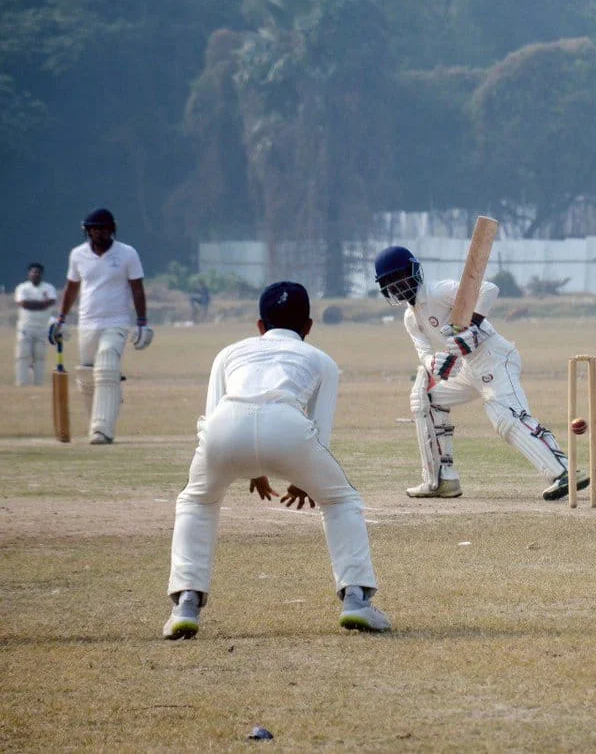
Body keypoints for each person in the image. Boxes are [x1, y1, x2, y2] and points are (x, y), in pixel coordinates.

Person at [163, 281, 391, 639]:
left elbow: (212, 416)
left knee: (197, 501)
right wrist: (302, 477)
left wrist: (248, 466)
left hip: (224, 428)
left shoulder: (228, 352)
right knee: (340, 499)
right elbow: (321, 427)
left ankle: (185, 604)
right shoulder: (320, 359)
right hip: (287, 428)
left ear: (259, 326)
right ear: (308, 327)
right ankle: (356, 600)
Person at [373, 246, 583, 500]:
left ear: (414, 272)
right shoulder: (411, 318)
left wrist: (471, 327)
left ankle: (563, 472)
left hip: (494, 357)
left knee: (504, 416)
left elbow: (488, 289)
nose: (398, 286)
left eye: (401, 277)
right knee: (426, 398)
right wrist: (435, 364)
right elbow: (424, 352)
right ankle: (441, 480)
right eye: (391, 283)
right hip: (467, 368)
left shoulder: (438, 291)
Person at [47, 208, 153, 444]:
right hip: (87, 322)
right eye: (94, 229)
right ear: (87, 231)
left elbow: (137, 288)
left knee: (106, 364)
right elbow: (72, 287)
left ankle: (101, 430)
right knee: (87, 374)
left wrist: (142, 322)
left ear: (111, 229)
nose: (98, 233)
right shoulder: (78, 255)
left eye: (103, 229)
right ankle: (98, 421)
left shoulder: (127, 253)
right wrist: (61, 318)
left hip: (116, 321)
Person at [13, 262, 57, 386]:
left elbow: (50, 302)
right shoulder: (22, 288)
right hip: (25, 327)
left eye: (37, 272)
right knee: (23, 355)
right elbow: (23, 304)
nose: (35, 274)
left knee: (39, 357)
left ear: (41, 274)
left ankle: (38, 383)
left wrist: (33, 304)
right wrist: (41, 304)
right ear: (29, 274)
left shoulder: (48, 288)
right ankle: (21, 383)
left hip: (42, 328)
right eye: (33, 272)